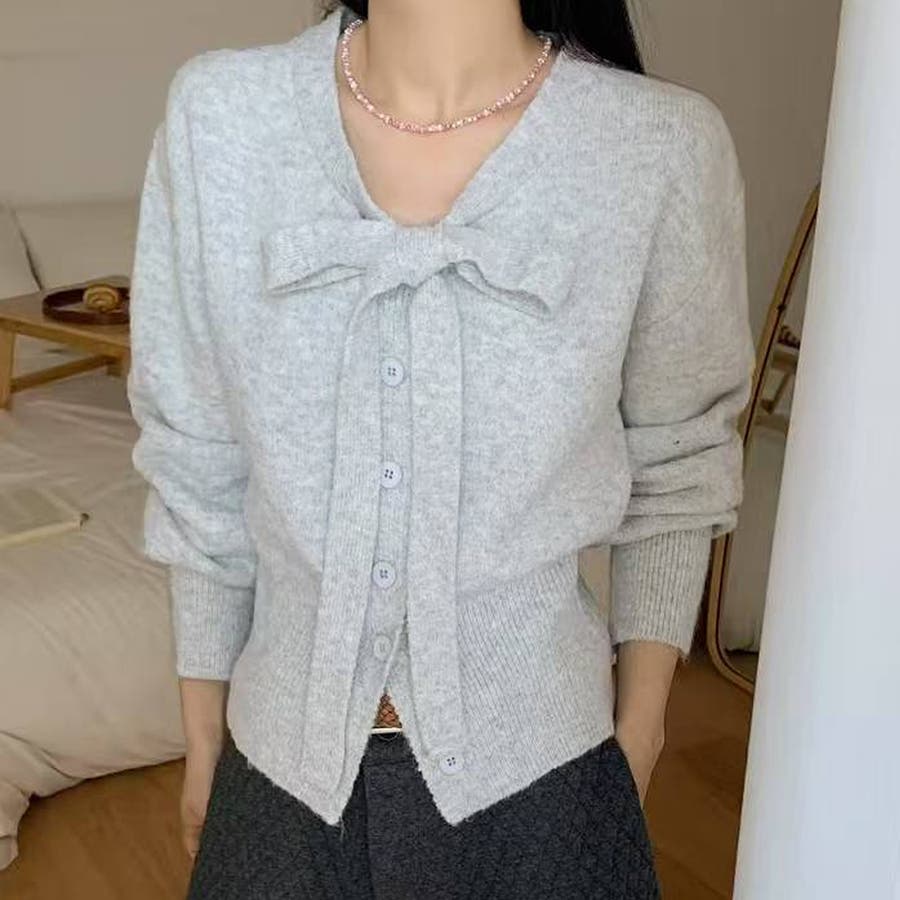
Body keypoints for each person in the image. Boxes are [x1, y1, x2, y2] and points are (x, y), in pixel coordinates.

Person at [126, 1, 755, 896]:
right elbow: (197, 450)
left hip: (546, 783)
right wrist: (203, 734)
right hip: (274, 779)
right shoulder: (220, 119)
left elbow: (679, 458)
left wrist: (640, 733)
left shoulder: (658, 148)